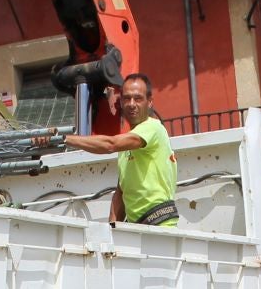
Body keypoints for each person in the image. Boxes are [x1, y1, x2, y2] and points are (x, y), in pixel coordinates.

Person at [56, 73, 178, 226]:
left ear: (150, 102)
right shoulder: (126, 147)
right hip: (138, 228)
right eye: (126, 98)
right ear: (121, 102)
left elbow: (110, 144)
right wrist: (111, 231)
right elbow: (121, 193)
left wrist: (63, 139)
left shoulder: (153, 128)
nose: (131, 104)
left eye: (138, 98)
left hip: (160, 225)